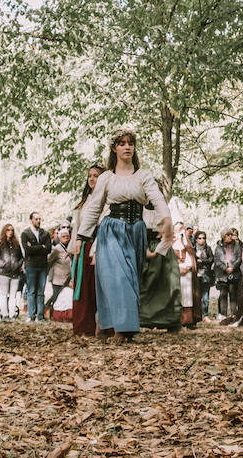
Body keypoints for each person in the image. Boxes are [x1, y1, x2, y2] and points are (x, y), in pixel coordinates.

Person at [72, 127, 172, 343]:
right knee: (116, 279)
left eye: (130, 143)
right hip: (111, 230)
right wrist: (81, 238)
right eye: (122, 143)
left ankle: (108, 326)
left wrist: (167, 220)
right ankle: (121, 330)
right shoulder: (107, 177)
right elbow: (94, 208)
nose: (127, 147)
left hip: (136, 231)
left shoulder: (143, 175)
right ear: (115, 148)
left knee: (131, 280)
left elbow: (157, 199)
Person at [138, 185, 182, 333]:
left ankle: (171, 321)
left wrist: (158, 251)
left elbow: (169, 235)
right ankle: (142, 319)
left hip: (163, 250)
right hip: (144, 247)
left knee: (169, 283)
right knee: (145, 283)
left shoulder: (164, 211)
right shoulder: (139, 209)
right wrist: (145, 250)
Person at [69, 164, 103, 337]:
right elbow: (78, 226)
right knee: (83, 288)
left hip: (99, 246)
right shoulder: (85, 201)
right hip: (83, 247)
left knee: (99, 288)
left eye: (96, 175)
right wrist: (75, 246)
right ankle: (83, 327)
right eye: (89, 175)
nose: (91, 178)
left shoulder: (106, 201)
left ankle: (103, 326)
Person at [20, 211, 53, 322]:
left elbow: (48, 249)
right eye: (36, 219)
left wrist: (35, 247)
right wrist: (41, 247)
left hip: (42, 266)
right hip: (31, 266)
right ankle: (31, 315)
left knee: (41, 291)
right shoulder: (25, 233)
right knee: (31, 291)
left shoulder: (45, 233)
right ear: (31, 220)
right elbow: (27, 250)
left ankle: (40, 315)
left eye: (39, 219)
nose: (38, 221)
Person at [0, 223, 24, 319]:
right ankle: (5, 314)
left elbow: (21, 257)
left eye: (12, 230)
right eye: (8, 230)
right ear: (4, 231)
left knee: (13, 295)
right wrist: (0, 264)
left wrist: (19, 265)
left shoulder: (16, 245)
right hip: (3, 273)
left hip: (15, 273)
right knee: (3, 294)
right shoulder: (0, 245)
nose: (10, 232)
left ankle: (12, 314)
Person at [212, 228, 243, 318]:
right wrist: (225, 269)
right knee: (223, 295)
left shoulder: (236, 246)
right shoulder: (218, 247)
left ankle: (233, 314)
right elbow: (217, 261)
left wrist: (233, 268)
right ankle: (223, 315)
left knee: (233, 294)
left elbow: (239, 258)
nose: (230, 236)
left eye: (231, 235)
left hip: (234, 273)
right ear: (223, 236)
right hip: (222, 275)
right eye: (228, 235)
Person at [175, 225, 202, 328]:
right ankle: (176, 321)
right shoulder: (171, 241)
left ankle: (188, 320)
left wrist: (187, 267)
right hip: (176, 271)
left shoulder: (187, 242)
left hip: (187, 272)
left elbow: (190, 257)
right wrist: (177, 268)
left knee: (187, 295)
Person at [46, 226, 73, 321]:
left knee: (64, 298)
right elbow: (49, 261)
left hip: (68, 278)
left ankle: (63, 315)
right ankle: (49, 312)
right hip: (58, 278)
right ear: (59, 238)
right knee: (55, 297)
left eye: (67, 236)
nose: (66, 238)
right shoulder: (57, 249)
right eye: (63, 236)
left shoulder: (70, 249)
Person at [193, 229, 215, 318]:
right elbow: (193, 260)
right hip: (196, 274)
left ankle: (205, 315)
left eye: (204, 238)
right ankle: (197, 315)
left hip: (206, 274)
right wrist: (200, 262)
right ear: (196, 239)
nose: (202, 240)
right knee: (196, 295)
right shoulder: (193, 249)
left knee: (205, 296)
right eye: (200, 238)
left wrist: (201, 261)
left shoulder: (208, 248)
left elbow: (211, 260)